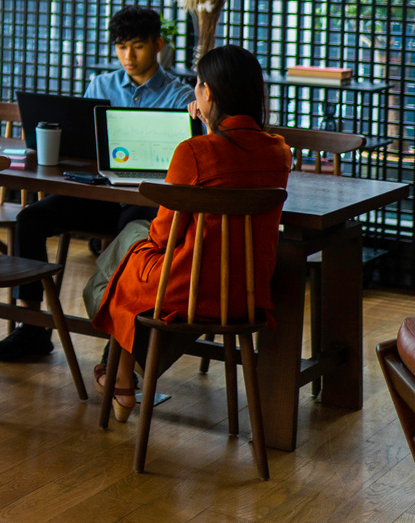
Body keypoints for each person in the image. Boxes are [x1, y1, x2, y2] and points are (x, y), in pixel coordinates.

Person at [84, 45, 291, 420]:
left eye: (198, 85)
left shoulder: (193, 152)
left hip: (191, 291)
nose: (195, 91)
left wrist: (206, 131)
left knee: (129, 246)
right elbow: (234, 157)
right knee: (132, 241)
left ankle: (121, 376)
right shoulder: (279, 152)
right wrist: (212, 126)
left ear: (208, 92)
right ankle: (123, 375)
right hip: (246, 293)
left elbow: (162, 238)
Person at [0, 5, 194, 361]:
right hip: (99, 194)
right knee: (30, 219)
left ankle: (118, 343)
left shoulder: (181, 97)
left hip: (146, 199)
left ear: (158, 44)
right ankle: (32, 328)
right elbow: (86, 147)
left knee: (130, 232)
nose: (127, 57)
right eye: (120, 47)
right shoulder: (99, 86)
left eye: (137, 46)